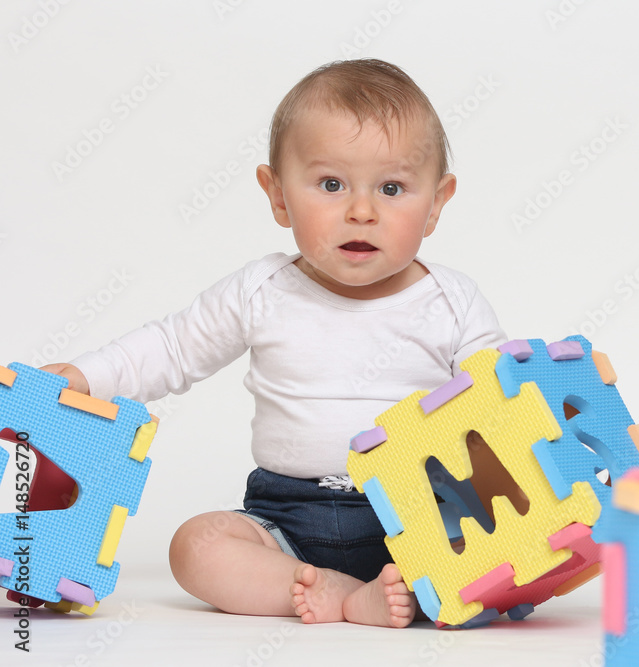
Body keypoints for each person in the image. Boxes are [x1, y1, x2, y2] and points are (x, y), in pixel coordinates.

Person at [42, 59, 506, 628]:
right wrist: (86, 378)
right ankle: (329, 590)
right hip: (286, 520)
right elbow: (173, 347)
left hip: (420, 516)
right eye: (331, 185)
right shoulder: (261, 290)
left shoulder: (453, 301)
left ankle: (411, 580)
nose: (362, 211)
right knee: (196, 546)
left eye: (392, 188)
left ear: (435, 202)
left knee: (485, 534)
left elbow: (501, 404)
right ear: (279, 196)